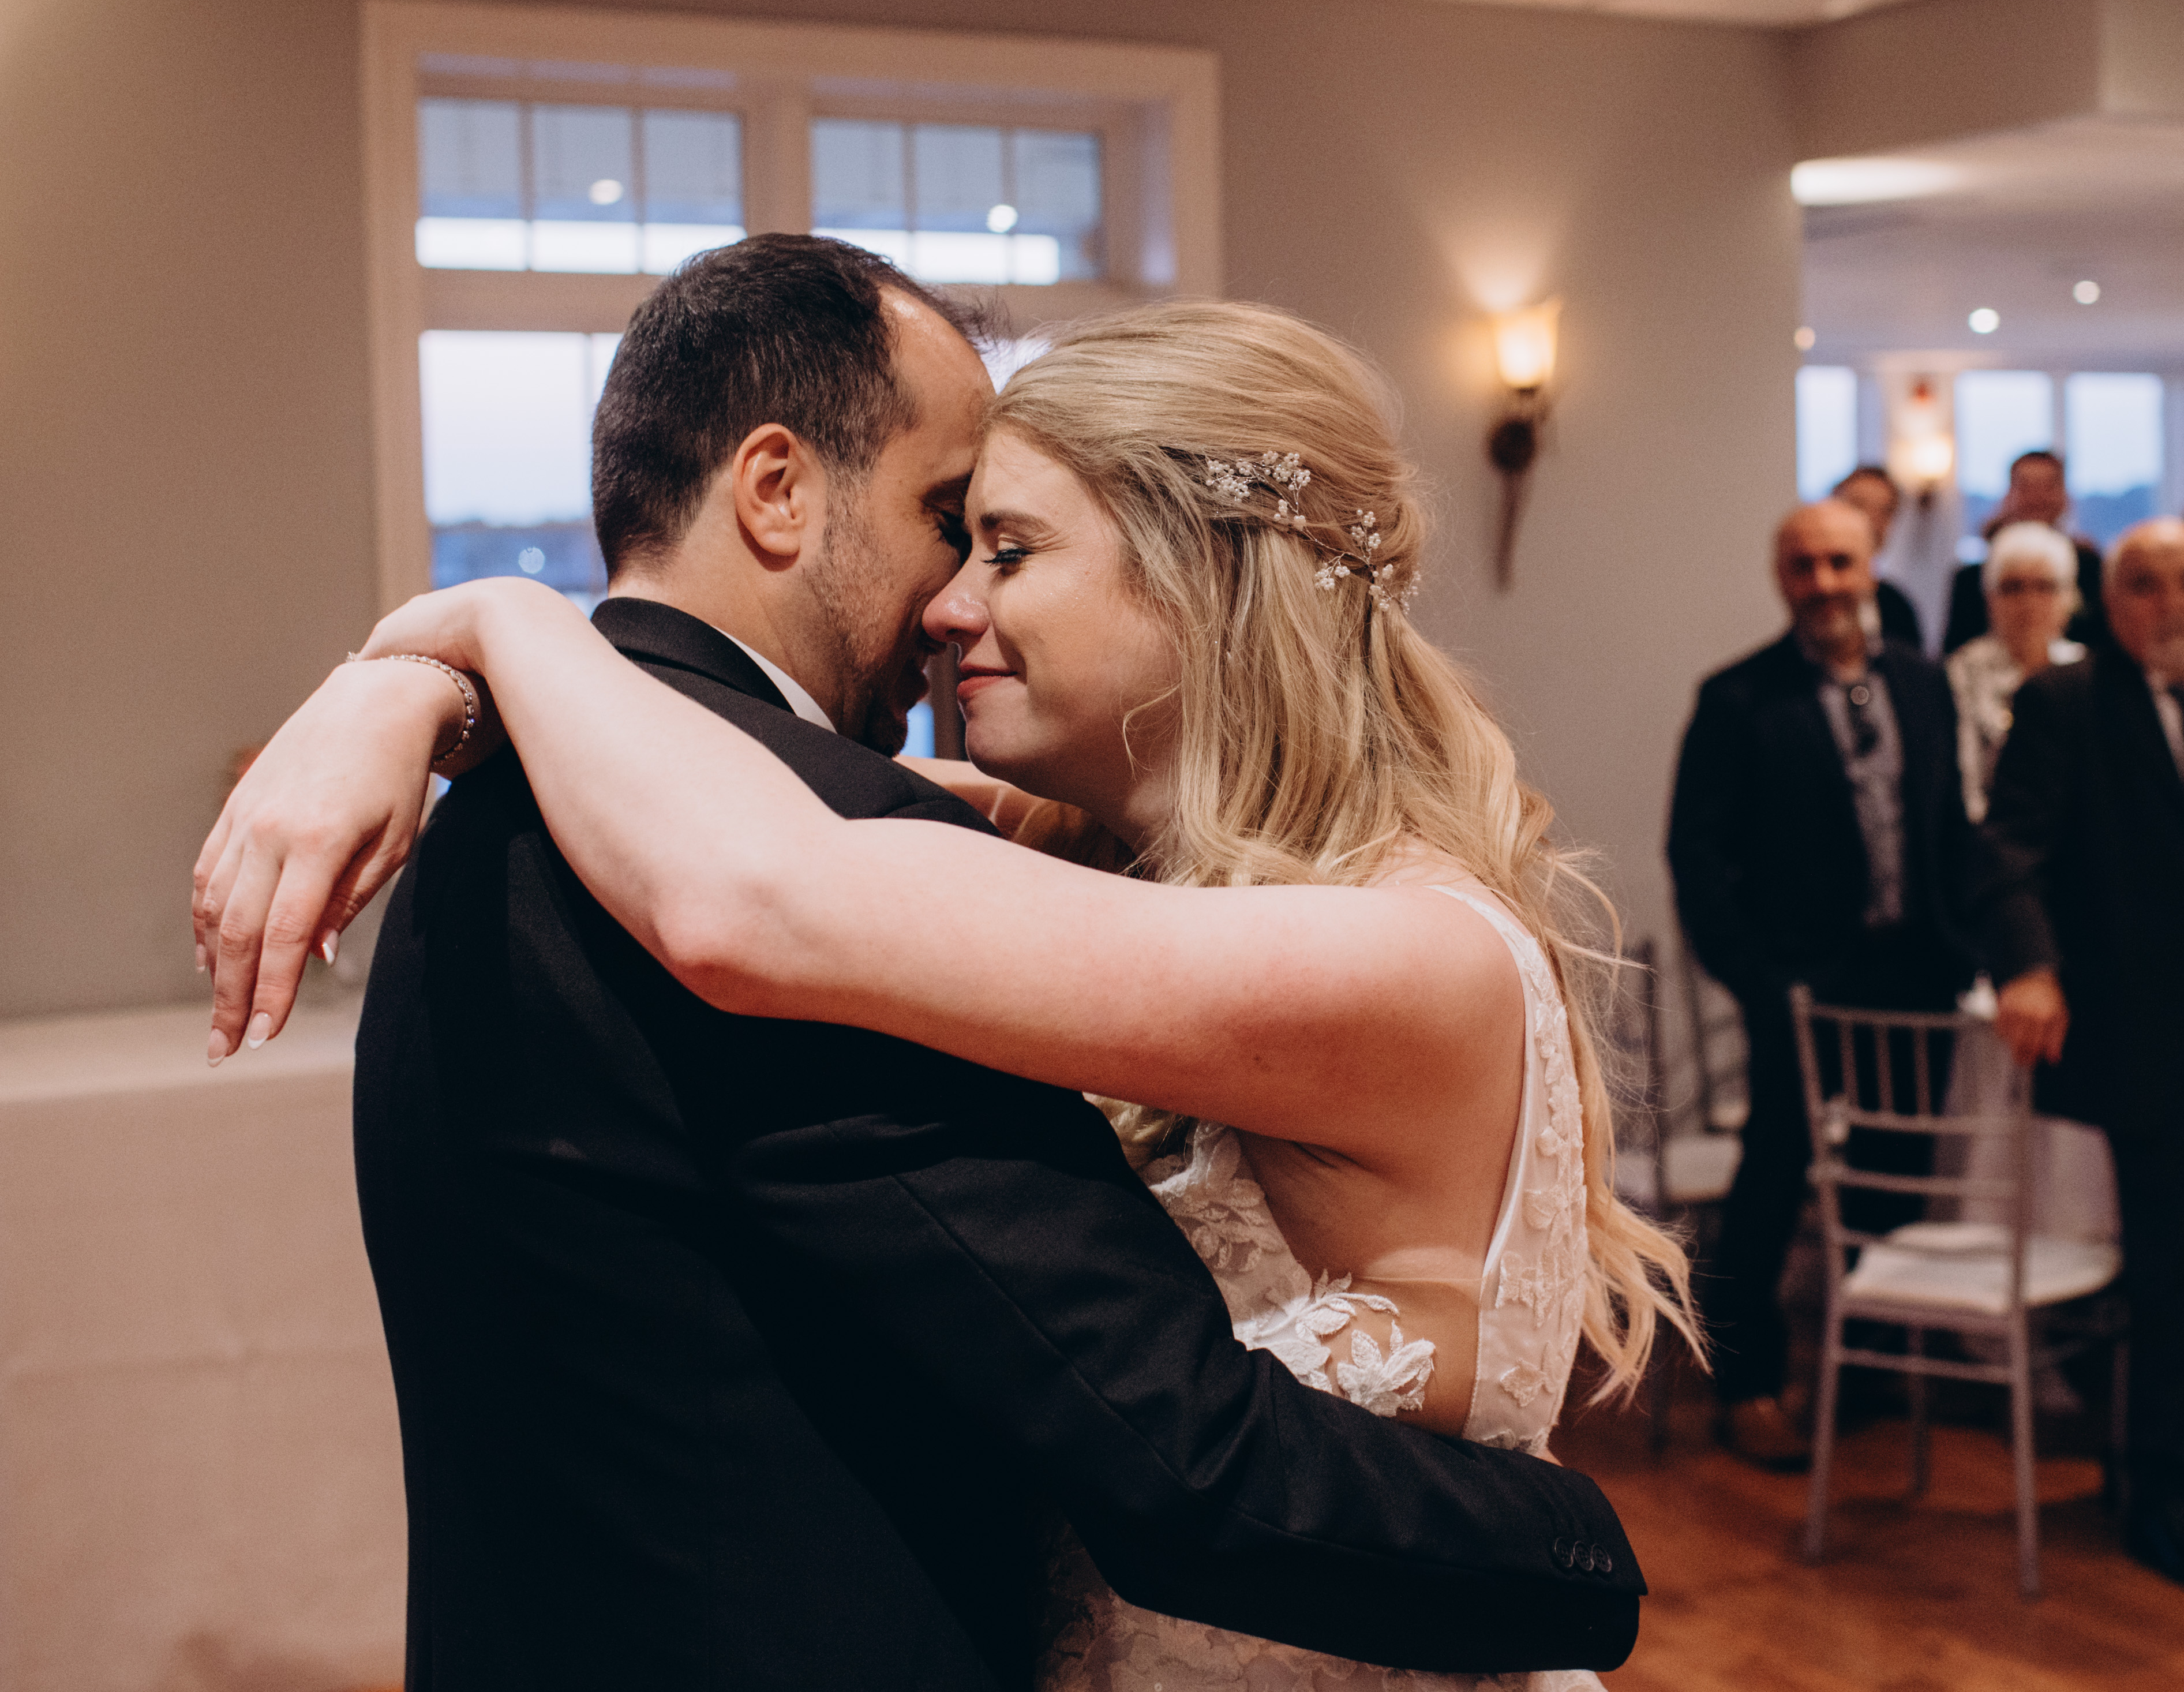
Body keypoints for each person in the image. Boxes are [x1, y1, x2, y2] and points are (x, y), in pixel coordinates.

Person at [194, 264, 1673, 1690]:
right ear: (773, 487)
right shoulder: (913, 844)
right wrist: (432, 676)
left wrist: (480, 629)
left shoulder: (1392, 950)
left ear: (1203, 578)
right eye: (949, 527)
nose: (955, 601)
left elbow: (758, 888)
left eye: (1005, 548)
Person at [1966, 519, 2184, 1601]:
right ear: (2110, 604)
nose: (2171, 603)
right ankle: (2162, 1500)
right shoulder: (2066, 703)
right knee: (2173, 1264)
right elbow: (2006, 850)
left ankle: (2180, 1463)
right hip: (2145, 1029)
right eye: (2145, 584)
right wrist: (2030, 963)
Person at [1666, 500, 1973, 1470]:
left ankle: (1869, 1365)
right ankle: (1747, 1382)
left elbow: (1948, 822)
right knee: (1774, 1173)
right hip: (1800, 987)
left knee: (1896, 1170)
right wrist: (1758, 980)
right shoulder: (1736, 697)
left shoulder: (1923, 682)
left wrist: (1967, 947)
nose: (1825, 583)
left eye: (1840, 561)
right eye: (1805, 566)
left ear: (1871, 563)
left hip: (1916, 976)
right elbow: (1696, 857)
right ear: (1782, 576)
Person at [1945, 521, 2084, 822]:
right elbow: (1963, 784)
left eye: (2045, 587)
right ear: (1989, 597)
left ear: (2069, 598)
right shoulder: (1960, 673)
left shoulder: (2085, 672)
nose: (2028, 603)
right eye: (2012, 588)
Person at [1942, 450, 2105, 654]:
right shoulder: (1970, 579)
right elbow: (1955, 650)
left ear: (2064, 496)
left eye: (2048, 486)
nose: (2037, 497)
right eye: (2026, 486)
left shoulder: (2090, 568)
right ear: (2009, 496)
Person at [1831, 463, 1927, 650]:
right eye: (1859, 506)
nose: (1871, 520)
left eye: (1885, 510)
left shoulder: (1897, 605)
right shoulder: (1818, 592)